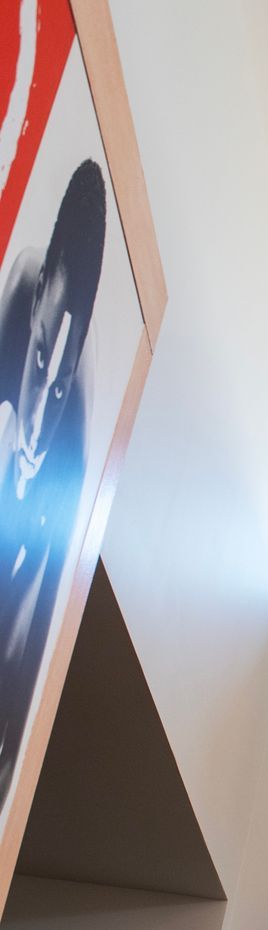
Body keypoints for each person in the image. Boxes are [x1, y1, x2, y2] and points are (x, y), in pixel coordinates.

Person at [0, 157, 107, 800]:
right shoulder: (16, 293)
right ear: (38, 294)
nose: (40, 419)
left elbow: (37, 635)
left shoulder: (74, 452)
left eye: (59, 385)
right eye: (41, 359)